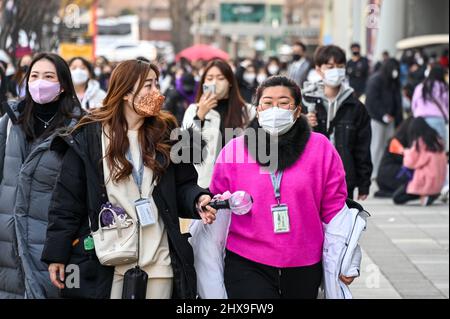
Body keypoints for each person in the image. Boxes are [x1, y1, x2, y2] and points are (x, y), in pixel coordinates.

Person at [41, 59, 217, 299]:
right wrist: (57, 254)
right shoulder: (90, 136)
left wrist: (198, 199)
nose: (157, 93)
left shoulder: (167, 135)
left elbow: (183, 186)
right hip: (109, 261)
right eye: (148, 86)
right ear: (125, 92)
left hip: (160, 262)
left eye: (157, 84)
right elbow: (67, 201)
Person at [209, 75, 357, 298]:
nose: (274, 109)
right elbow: (216, 199)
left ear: (297, 111)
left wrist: (348, 257)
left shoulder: (320, 148)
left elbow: (335, 209)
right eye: (267, 103)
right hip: (247, 259)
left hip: (304, 260)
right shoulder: (235, 149)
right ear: (258, 110)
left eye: (283, 102)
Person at [0, 53, 82, 298]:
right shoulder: (9, 122)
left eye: (48, 76)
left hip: (54, 243)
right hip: (7, 242)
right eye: (34, 76)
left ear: (63, 84)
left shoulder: (80, 127)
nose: (40, 82)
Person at [304, 45, 372, 200]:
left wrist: (364, 183)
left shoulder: (355, 106)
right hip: (311, 177)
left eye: (340, 67)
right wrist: (303, 123)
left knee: (342, 222)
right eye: (330, 66)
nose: (336, 71)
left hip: (344, 178)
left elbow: (363, 147)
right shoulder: (305, 102)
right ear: (318, 69)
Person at [182, 59, 255, 189]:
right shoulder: (193, 110)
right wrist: (200, 116)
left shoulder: (247, 111)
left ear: (230, 82)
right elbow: (186, 152)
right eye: (209, 78)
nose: (214, 83)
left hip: (238, 182)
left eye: (220, 78)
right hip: (204, 184)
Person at [393, 117, 447, 206]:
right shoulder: (437, 140)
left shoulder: (421, 142)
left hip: (425, 181)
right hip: (438, 181)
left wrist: (404, 151)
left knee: (397, 197)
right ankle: (432, 194)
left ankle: (426, 195)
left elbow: (410, 163)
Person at [365, 58, 403, 179]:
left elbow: (398, 101)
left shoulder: (394, 81)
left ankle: (384, 171)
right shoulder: (375, 80)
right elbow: (372, 101)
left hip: (390, 121)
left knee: (388, 147)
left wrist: (398, 119)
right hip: (377, 119)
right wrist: (383, 115)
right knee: (376, 146)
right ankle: (373, 173)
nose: (396, 71)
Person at [375, 117, 414, 198]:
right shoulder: (395, 142)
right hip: (388, 176)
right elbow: (405, 160)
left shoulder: (398, 139)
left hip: (386, 177)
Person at [411, 65, 448, 149]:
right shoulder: (443, 88)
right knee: (439, 149)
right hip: (438, 120)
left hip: (420, 121)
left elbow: (414, 105)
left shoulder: (420, 87)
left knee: (422, 149)